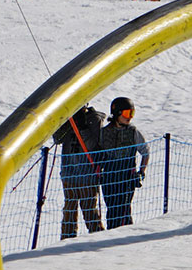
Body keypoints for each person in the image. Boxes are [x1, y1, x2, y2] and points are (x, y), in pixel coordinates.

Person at [52, 104, 106, 237]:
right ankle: (67, 238)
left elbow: (94, 145)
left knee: (89, 209)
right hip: (69, 172)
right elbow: (57, 139)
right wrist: (66, 123)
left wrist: (83, 128)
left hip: (87, 173)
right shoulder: (68, 118)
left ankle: (97, 237)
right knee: (69, 209)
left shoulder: (94, 119)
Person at [97, 97, 150, 230]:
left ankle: (125, 234)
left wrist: (141, 172)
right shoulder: (104, 133)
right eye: (127, 113)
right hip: (109, 177)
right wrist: (98, 170)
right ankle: (111, 234)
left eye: (132, 113)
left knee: (124, 209)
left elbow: (145, 151)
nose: (129, 117)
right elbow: (98, 154)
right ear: (117, 113)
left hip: (127, 177)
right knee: (112, 209)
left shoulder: (132, 132)